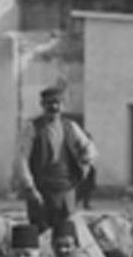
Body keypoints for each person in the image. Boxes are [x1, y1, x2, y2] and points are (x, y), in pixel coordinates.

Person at [18, 84, 95, 237]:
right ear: (42, 105)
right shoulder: (32, 128)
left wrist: (84, 166)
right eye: (49, 103)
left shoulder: (70, 127)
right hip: (41, 188)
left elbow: (89, 148)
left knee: (65, 231)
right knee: (40, 231)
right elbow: (22, 158)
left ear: (62, 105)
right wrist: (29, 187)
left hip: (65, 187)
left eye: (56, 103)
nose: (53, 107)